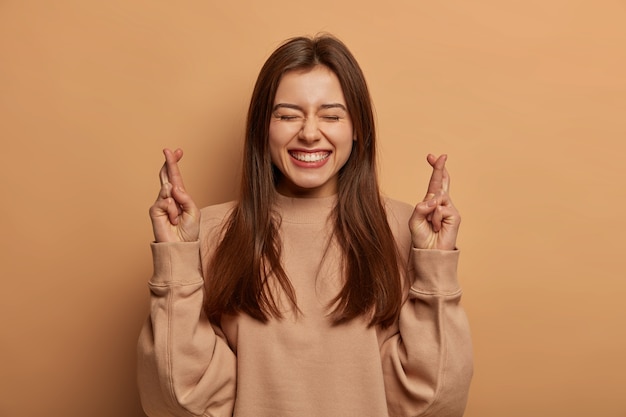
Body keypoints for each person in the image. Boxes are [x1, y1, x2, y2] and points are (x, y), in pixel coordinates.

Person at [137, 34, 473, 417]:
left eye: (331, 115)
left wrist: (435, 267)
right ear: (263, 128)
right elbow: (176, 401)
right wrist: (175, 261)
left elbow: (435, 402)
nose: (310, 132)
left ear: (357, 128)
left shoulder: (404, 229)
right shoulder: (210, 232)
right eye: (287, 115)